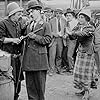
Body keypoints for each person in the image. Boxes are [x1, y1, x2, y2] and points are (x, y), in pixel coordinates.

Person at [22, 0, 52, 100]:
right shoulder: (29, 25)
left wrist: (35, 37)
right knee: (30, 87)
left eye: (32, 11)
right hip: (29, 61)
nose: (30, 14)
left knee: (39, 88)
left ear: (38, 11)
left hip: (40, 61)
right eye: (29, 12)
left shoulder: (45, 24)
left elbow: (48, 40)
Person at [0, 2, 25, 100]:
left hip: (17, 58)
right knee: (9, 81)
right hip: (8, 59)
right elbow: (1, 39)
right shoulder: (3, 23)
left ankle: (16, 97)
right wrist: (13, 40)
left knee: (18, 80)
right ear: (12, 14)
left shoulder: (18, 23)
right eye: (18, 14)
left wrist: (20, 38)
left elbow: (19, 37)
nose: (20, 16)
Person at [70, 9, 97, 99]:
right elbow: (72, 36)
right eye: (79, 17)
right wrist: (69, 34)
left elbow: (82, 34)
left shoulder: (90, 27)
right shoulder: (78, 26)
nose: (80, 19)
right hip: (80, 51)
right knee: (79, 72)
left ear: (86, 18)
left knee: (86, 73)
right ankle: (83, 89)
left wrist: (72, 33)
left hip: (88, 53)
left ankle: (87, 91)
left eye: (82, 17)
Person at [49, 8, 66, 75]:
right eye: (57, 13)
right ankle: (51, 70)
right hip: (53, 40)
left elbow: (66, 30)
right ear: (55, 13)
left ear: (62, 14)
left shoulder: (64, 21)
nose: (58, 15)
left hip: (61, 40)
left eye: (60, 13)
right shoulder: (51, 21)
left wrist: (65, 35)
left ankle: (59, 69)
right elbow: (49, 31)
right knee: (52, 55)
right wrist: (53, 34)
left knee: (59, 55)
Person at [62, 8, 78, 73]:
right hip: (68, 40)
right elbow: (67, 32)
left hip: (73, 41)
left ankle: (71, 68)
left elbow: (74, 34)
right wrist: (65, 35)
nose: (68, 17)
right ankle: (68, 66)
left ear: (73, 16)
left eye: (69, 15)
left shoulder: (75, 23)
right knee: (64, 55)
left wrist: (68, 33)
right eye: (67, 16)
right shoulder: (67, 23)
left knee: (69, 55)